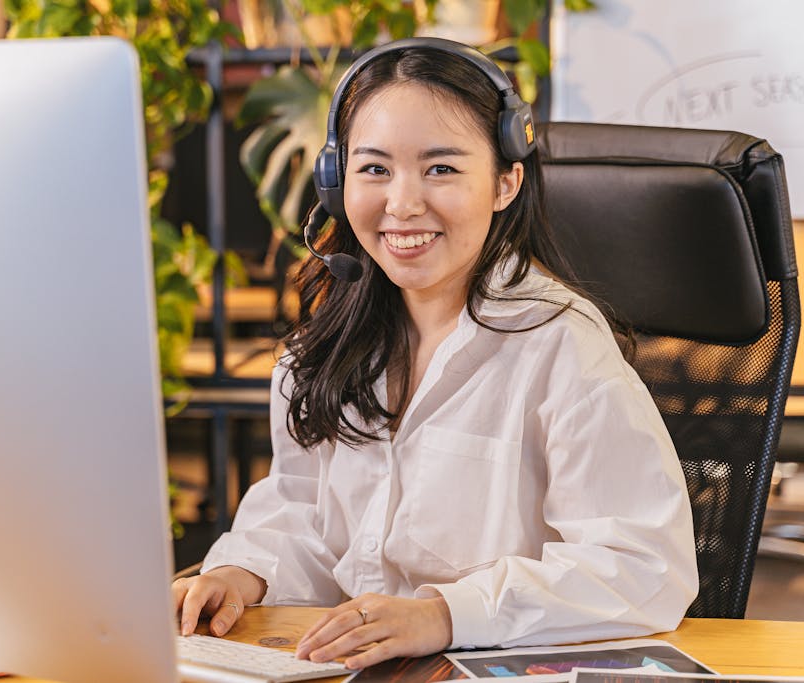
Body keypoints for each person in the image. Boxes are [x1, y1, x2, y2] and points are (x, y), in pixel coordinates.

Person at [172, 38, 699, 670]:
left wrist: (446, 615)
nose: (402, 203)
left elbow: (644, 566)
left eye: (441, 169)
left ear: (506, 182)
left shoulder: (562, 347)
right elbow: (303, 512)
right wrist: (240, 574)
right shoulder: (325, 347)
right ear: (338, 183)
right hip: (352, 665)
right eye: (374, 169)